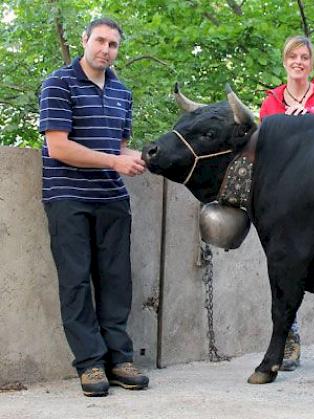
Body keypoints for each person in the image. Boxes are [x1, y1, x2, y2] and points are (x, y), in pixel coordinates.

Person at [38, 17, 149, 397]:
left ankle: (120, 359)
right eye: (100, 41)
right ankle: (89, 364)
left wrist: (147, 158)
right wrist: (115, 162)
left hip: (112, 199)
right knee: (75, 282)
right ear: (85, 41)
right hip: (67, 197)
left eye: (113, 44)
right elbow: (59, 147)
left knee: (117, 282)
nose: (106, 49)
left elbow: (118, 149)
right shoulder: (58, 83)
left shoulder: (123, 91)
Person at [260, 35, 314, 371]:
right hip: (287, 202)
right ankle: (289, 341)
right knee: (286, 268)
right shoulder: (271, 102)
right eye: (293, 56)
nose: (299, 61)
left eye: (305, 57)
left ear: (311, 63)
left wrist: (309, 119)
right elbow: (266, 150)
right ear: (284, 61)